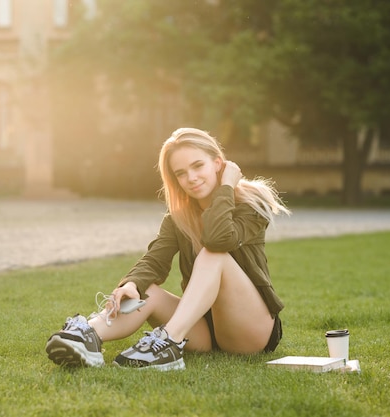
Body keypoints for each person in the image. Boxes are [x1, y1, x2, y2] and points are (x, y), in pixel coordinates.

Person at [45, 127, 291, 371]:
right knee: (146, 290)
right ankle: (88, 336)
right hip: (204, 329)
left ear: (218, 163)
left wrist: (227, 185)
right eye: (181, 173)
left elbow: (219, 239)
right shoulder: (178, 218)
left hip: (251, 330)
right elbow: (155, 259)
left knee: (213, 254)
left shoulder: (252, 204)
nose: (191, 178)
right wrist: (131, 284)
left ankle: (169, 342)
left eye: (198, 166)